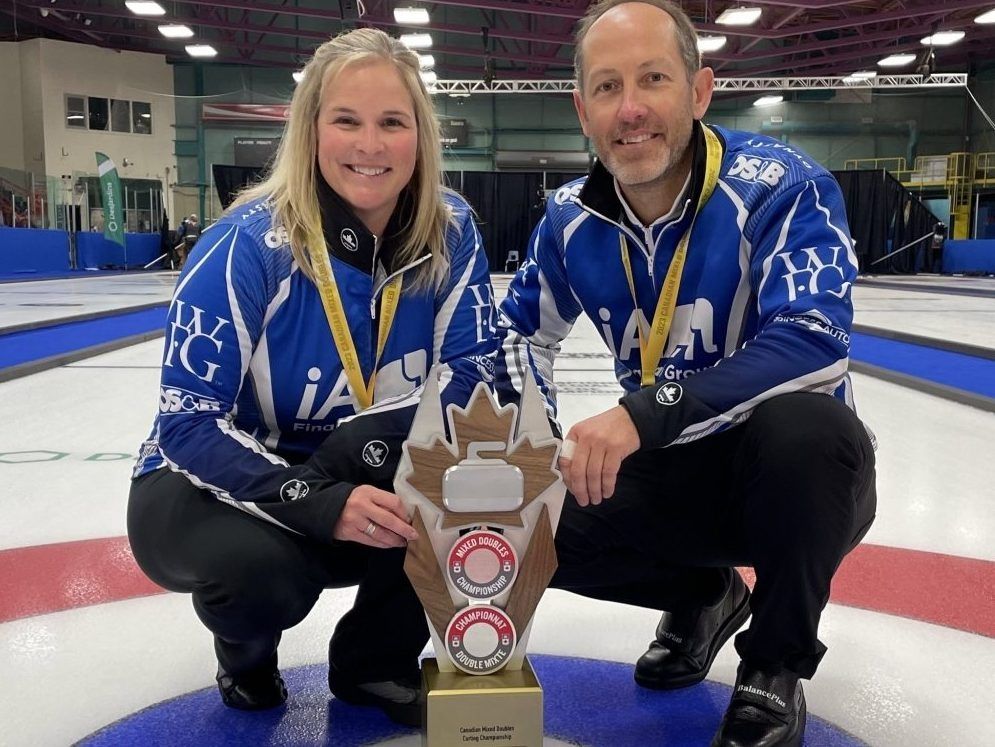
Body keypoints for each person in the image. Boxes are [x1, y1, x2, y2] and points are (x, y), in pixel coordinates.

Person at [494, 1, 876, 745]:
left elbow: (812, 341)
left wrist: (644, 410)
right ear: (581, 109)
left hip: (792, 477)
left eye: (653, 80)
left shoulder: (780, 187)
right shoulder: (569, 219)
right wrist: (534, 430)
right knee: (519, 511)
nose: (630, 109)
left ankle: (772, 667)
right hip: (673, 472)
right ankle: (705, 594)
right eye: (606, 87)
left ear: (699, 92)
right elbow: (514, 338)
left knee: (806, 426)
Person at [127, 27, 497, 726]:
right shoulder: (246, 243)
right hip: (215, 486)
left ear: (420, 134)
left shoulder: (451, 231)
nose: (370, 144)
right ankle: (244, 653)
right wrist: (316, 496)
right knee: (263, 576)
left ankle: (375, 666)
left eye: (393, 122)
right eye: (346, 120)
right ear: (310, 130)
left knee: (471, 471)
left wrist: (368, 446)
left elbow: (479, 382)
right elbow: (186, 422)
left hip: (360, 469)